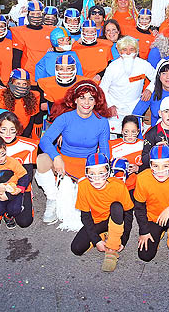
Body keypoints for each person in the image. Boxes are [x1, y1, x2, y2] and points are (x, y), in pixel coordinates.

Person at [35, 80, 111, 223]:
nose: (86, 102)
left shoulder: (102, 122)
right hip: (63, 162)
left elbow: (105, 150)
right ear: (75, 99)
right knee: (42, 159)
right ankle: (51, 198)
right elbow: (44, 140)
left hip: (87, 166)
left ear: (96, 102)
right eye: (82, 97)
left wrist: (101, 171)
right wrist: (56, 157)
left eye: (91, 98)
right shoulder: (65, 118)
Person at [71, 152, 135, 272]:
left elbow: (128, 214)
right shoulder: (83, 185)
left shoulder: (118, 185)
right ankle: (103, 234)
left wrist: (124, 239)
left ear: (108, 172)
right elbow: (85, 216)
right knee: (77, 248)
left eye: (101, 173)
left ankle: (112, 247)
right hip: (97, 220)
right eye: (92, 174)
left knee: (117, 207)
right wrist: (96, 241)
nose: (96, 178)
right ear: (86, 173)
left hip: (115, 218)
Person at [134, 145, 169, 266]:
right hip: (153, 218)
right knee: (145, 255)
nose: (160, 170)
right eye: (156, 166)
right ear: (150, 165)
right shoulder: (142, 178)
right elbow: (139, 208)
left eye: (165, 165)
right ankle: (159, 231)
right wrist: (144, 231)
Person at [100, 36, 155, 134]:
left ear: (136, 50)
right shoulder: (112, 67)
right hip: (115, 107)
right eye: (125, 50)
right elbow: (103, 88)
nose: (128, 53)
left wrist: (150, 89)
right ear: (120, 52)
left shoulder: (143, 64)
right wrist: (110, 105)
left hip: (135, 106)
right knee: (112, 135)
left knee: (133, 135)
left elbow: (158, 77)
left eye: (132, 49)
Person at [10, 0, 54, 83]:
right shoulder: (18, 31)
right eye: (32, 14)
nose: (36, 16)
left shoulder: (52, 30)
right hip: (28, 77)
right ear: (28, 15)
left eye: (38, 14)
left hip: (48, 77)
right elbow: (16, 58)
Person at [0, 69, 42, 137]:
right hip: (4, 134)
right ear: (11, 83)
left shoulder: (34, 96)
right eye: (18, 83)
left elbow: (32, 120)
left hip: (24, 133)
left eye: (24, 84)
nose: (21, 87)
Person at [140, 97, 169, 168]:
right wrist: (155, 150)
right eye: (166, 111)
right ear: (160, 113)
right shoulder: (152, 133)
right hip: (159, 171)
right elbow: (144, 159)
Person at [109, 116, 145, 193]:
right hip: (115, 186)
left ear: (138, 131)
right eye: (126, 131)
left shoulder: (143, 145)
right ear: (121, 131)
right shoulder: (112, 145)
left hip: (136, 188)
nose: (130, 135)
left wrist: (138, 169)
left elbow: (150, 166)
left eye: (133, 131)